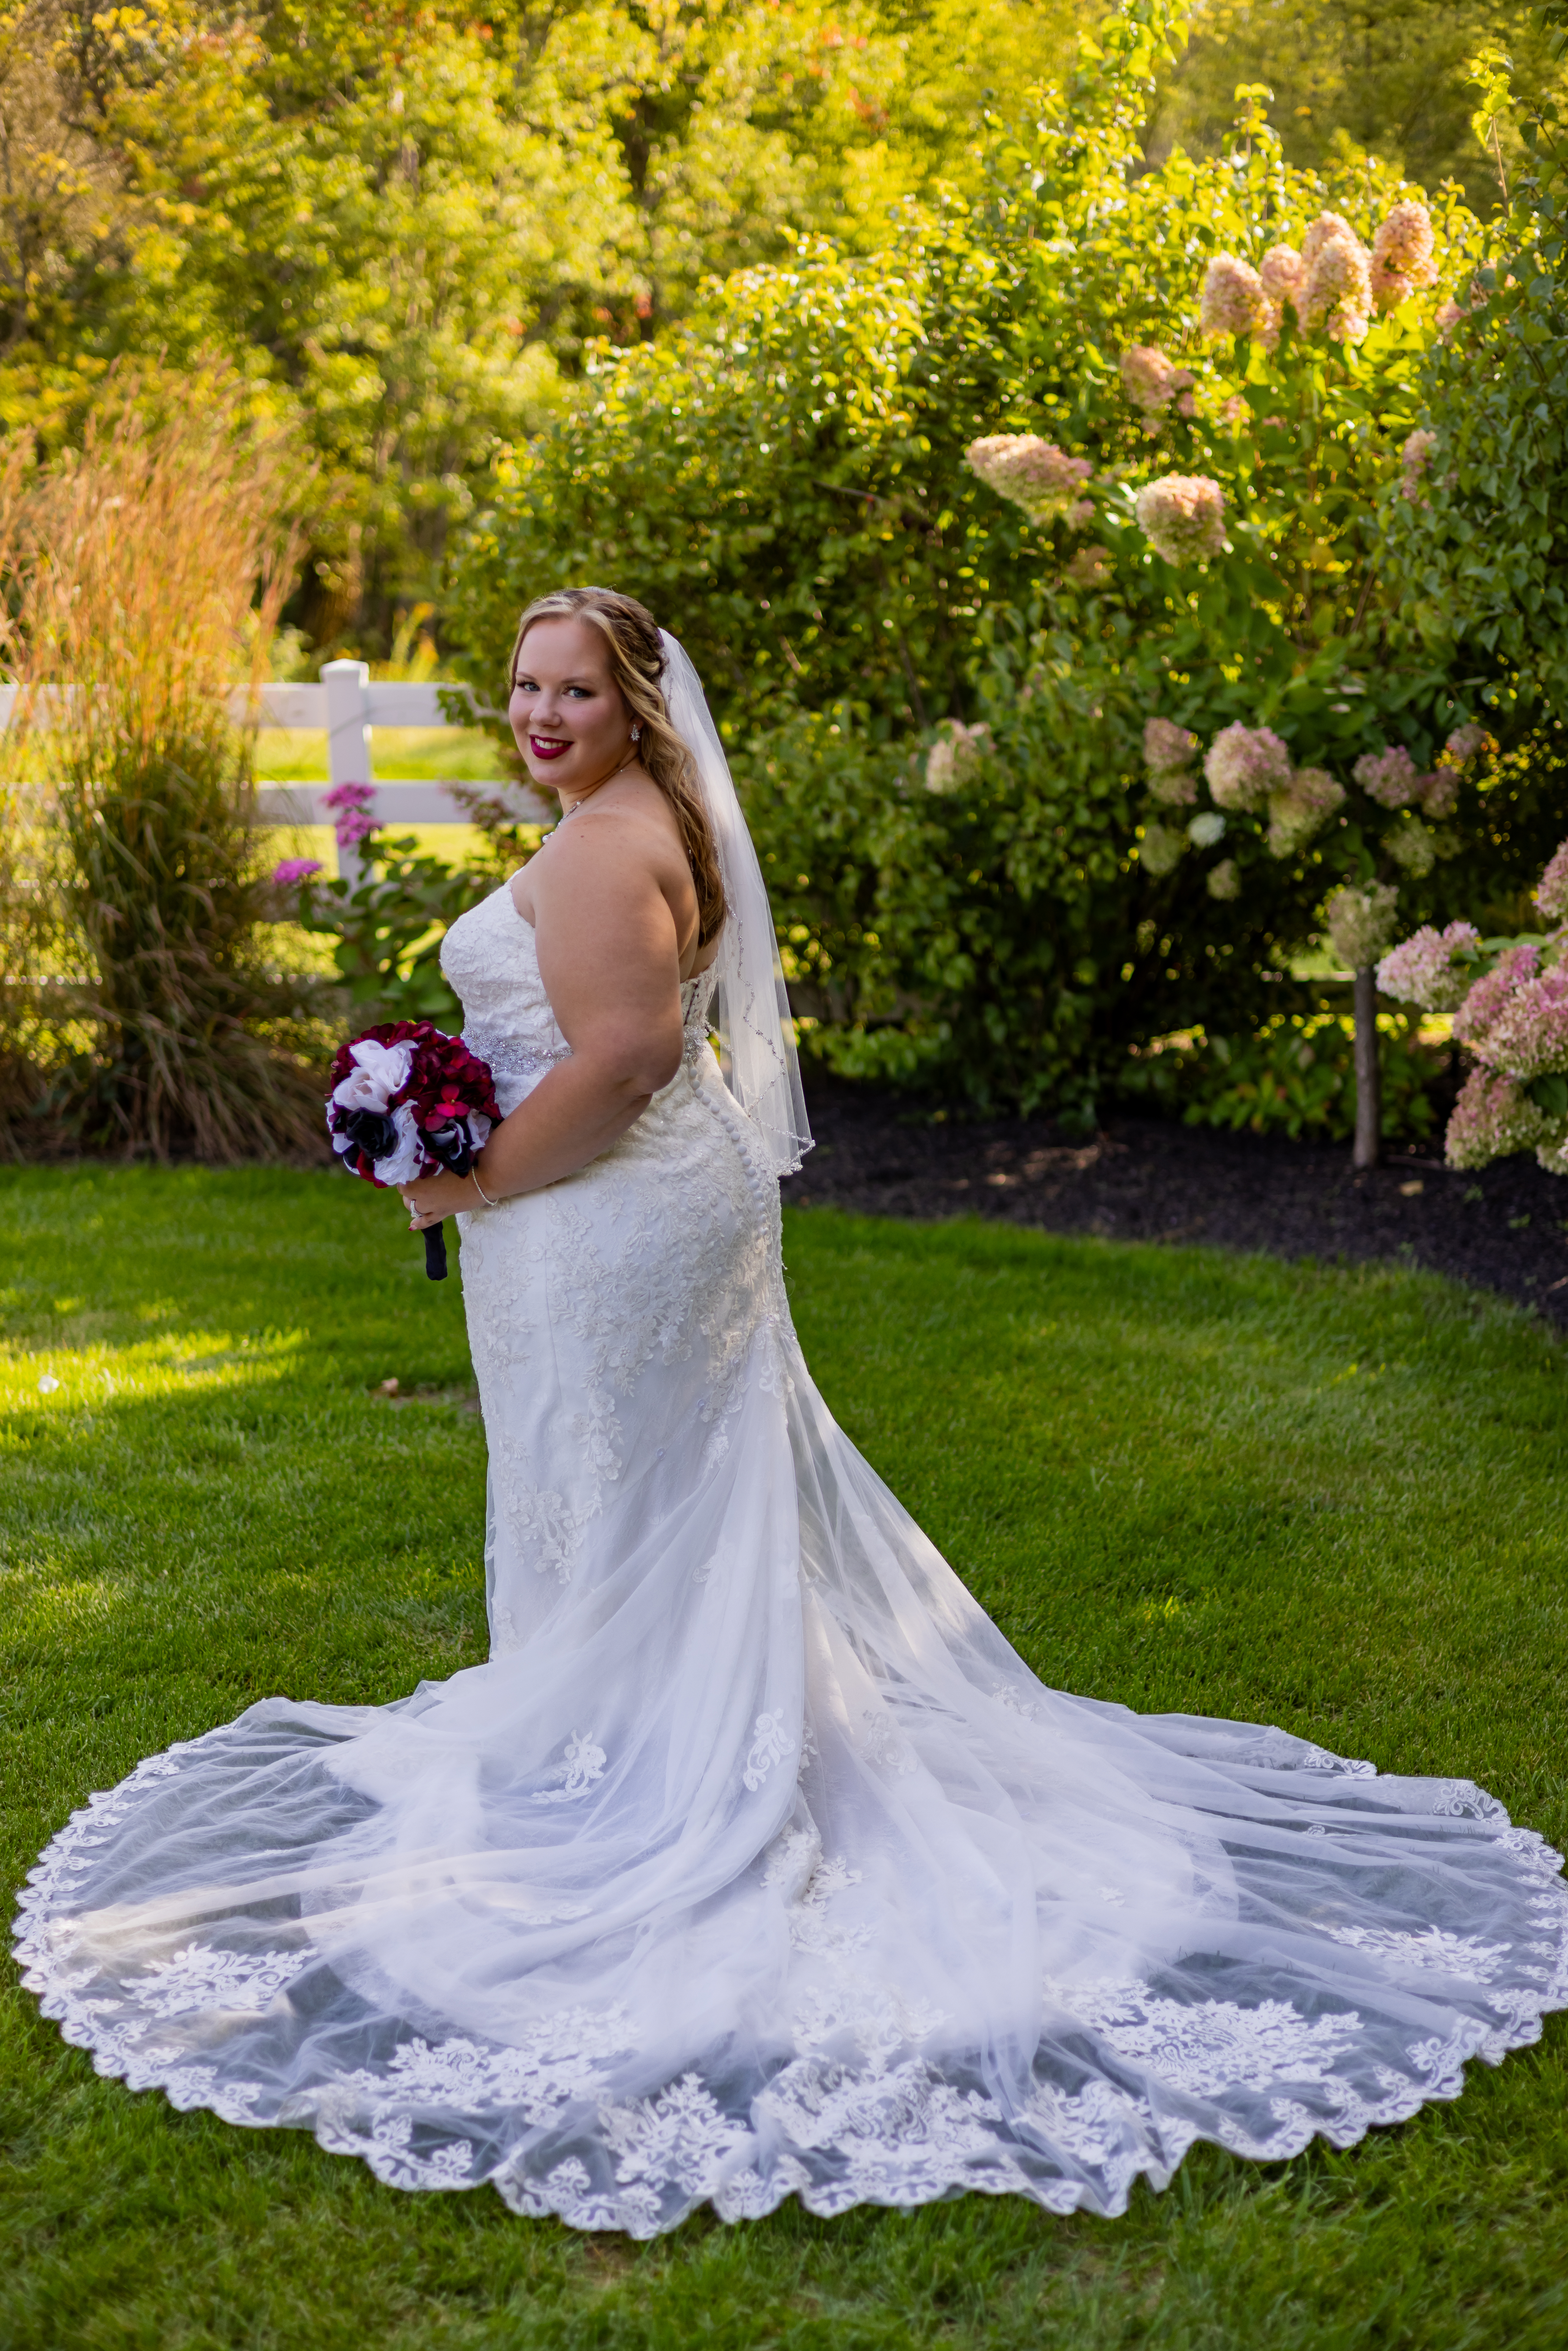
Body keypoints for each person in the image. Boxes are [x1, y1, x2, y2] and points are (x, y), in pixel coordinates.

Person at [16, 589, 1567, 2238]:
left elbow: (617, 1059)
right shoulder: (633, 816)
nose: (542, 715)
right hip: (625, 1209)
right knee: (647, 1489)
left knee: (623, 1489)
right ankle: (641, 1734)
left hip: (607, 1207)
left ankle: (657, 1780)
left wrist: (460, 1175)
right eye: (527, 688)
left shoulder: (608, 850)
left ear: (634, 706)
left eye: (577, 691)